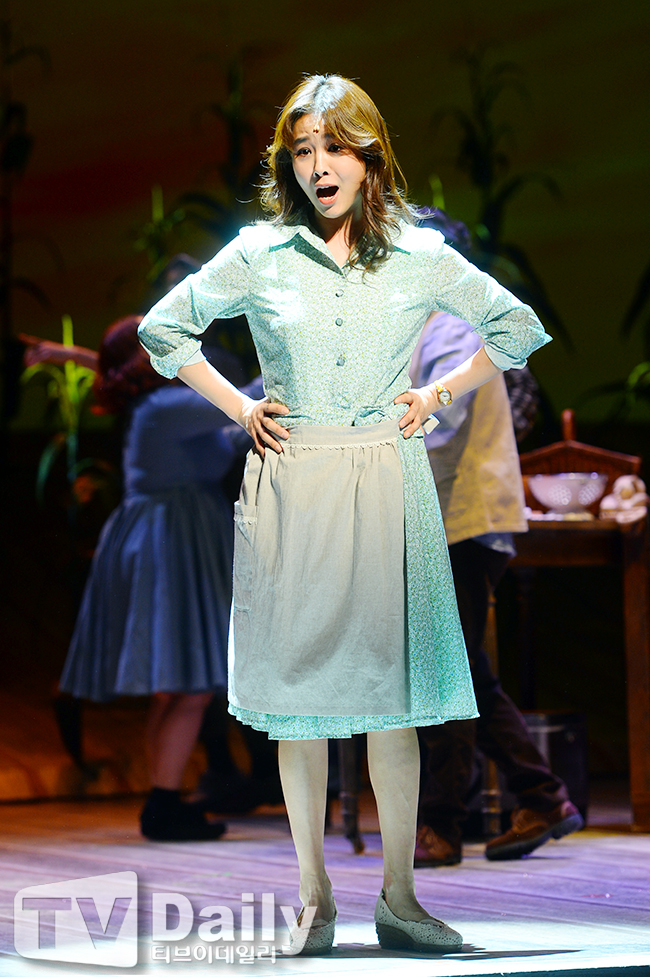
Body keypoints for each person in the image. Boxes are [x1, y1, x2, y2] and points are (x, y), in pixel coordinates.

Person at [138, 74, 551, 954]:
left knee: (392, 700)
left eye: (335, 147)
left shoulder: (418, 253)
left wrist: (439, 392)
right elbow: (164, 330)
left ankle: (400, 897)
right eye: (302, 150)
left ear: (370, 157)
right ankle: (313, 898)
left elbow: (515, 328)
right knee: (301, 702)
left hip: (385, 477)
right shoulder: (261, 252)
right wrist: (238, 406)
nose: (319, 166)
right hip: (294, 481)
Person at [51, 316, 262, 841]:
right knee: (189, 687)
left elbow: (225, 437)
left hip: (174, 534)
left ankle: (163, 800)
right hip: (172, 540)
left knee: (177, 690)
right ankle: (163, 804)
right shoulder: (166, 407)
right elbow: (244, 399)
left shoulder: (159, 407)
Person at [411, 307, 584, 866]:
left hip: (463, 519)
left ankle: (443, 824)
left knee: (446, 674)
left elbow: (442, 419)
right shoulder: (415, 327)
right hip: (442, 521)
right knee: (462, 672)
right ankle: (541, 796)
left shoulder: (450, 327)